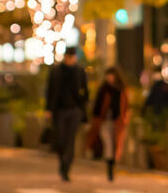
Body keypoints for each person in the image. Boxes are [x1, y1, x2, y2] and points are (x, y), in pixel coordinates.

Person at [45, 46, 88, 181]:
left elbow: (85, 91)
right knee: (60, 138)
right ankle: (62, 160)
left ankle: (66, 168)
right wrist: (48, 109)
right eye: (69, 57)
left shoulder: (80, 71)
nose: (70, 59)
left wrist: (82, 106)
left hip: (74, 109)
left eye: (72, 57)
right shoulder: (56, 71)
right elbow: (50, 91)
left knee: (71, 139)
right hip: (59, 110)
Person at [88, 67, 130, 182]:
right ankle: (109, 167)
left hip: (117, 122)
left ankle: (112, 164)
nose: (109, 78)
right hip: (104, 121)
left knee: (116, 144)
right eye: (108, 75)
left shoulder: (121, 90)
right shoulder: (103, 89)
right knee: (108, 144)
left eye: (111, 75)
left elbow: (126, 106)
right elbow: (97, 106)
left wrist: (125, 119)